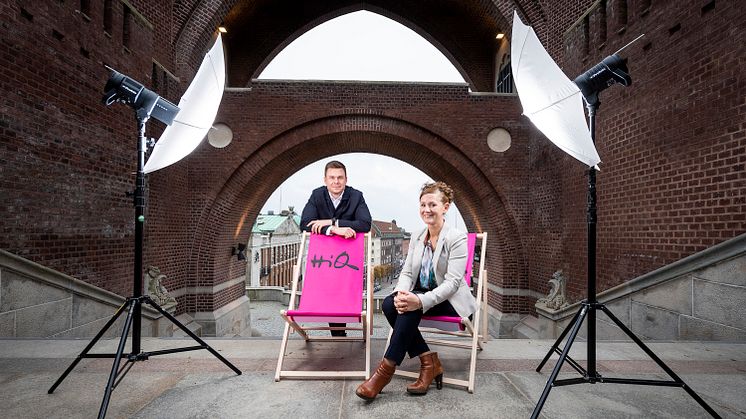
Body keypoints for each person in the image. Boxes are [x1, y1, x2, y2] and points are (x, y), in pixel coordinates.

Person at [356, 181, 476, 400]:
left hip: (450, 302)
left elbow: (452, 284)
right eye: (423, 204)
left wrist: (418, 302)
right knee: (389, 304)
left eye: (432, 204)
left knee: (409, 309)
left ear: (445, 207)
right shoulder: (418, 235)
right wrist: (402, 293)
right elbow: (408, 273)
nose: (427, 210)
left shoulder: (456, 238)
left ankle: (384, 373)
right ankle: (429, 362)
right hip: (421, 294)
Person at [300, 160, 372, 336]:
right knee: (328, 291)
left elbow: (365, 224)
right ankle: (338, 335)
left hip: (347, 258)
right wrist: (333, 229)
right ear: (325, 179)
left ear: (346, 179)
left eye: (340, 178)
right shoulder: (317, 195)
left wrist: (332, 221)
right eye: (332, 177)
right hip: (325, 256)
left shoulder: (356, 196)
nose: (336, 182)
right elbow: (305, 223)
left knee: (341, 292)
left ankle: (339, 335)